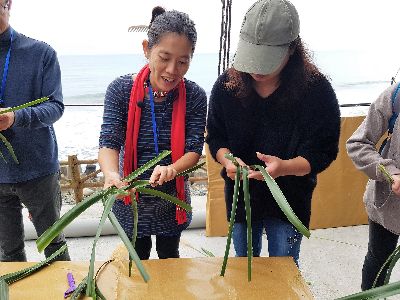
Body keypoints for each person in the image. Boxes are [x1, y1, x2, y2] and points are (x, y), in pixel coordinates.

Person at [206, 0, 341, 266]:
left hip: (289, 199)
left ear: (291, 49)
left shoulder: (316, 91)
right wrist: (227, 159)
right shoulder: (226, 87)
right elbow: (217, 138)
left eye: (267, 60)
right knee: (243, 267)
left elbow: (322, 152)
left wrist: (285, 167)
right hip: (241, 198)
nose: (256, 68)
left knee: (284, 269)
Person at [98, 7, 207, 260]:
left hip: (172, 199)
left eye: (183, 61)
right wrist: (111, 174)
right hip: (131, 198)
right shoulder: (120, 90)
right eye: (164, 57)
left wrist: (173, 169)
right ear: (147, 48)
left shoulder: (195, 96)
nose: (172, 70)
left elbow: (193, 149)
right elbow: (109, 142)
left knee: (170, 255)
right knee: (137, 258)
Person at [0, 0, 70, 261]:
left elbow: (55, 107)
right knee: (8, 253)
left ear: (8, 3)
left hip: (38, 169)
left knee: (54, 247)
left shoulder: (41, 52)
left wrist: (16, 118)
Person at [346, 85, 400, 290]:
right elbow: (357, 143)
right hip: (387, 205)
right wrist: (390, 172)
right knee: (378, 262)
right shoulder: (394, 96)